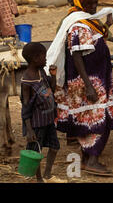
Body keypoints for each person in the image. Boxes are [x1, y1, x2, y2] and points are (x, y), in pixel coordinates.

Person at [47, 0, 113, 177]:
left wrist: (108, 26)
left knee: (89, 118)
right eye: (90, 3)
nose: (94, 6)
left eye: (96, 3)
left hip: (95, 78)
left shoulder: (86, 21)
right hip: (89, 82)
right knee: (98, 119)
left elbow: (95, 37)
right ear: (81, 2)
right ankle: (92, 159)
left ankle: (86, 159)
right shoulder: (77, 24)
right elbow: (76, 56)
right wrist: (89, 86)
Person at [20, 42, 66, 183]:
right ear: (35, 58)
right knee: (35, 152)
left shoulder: (41, 72)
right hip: (36, 124)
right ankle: (39, 178)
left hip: (48, 120)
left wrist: (53, 76)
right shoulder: (27, 82)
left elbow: (51, 88)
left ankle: (47, 174)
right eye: (44, 56)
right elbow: (26, 107)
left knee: (54, 147)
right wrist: (29, 130)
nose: (46, 59)